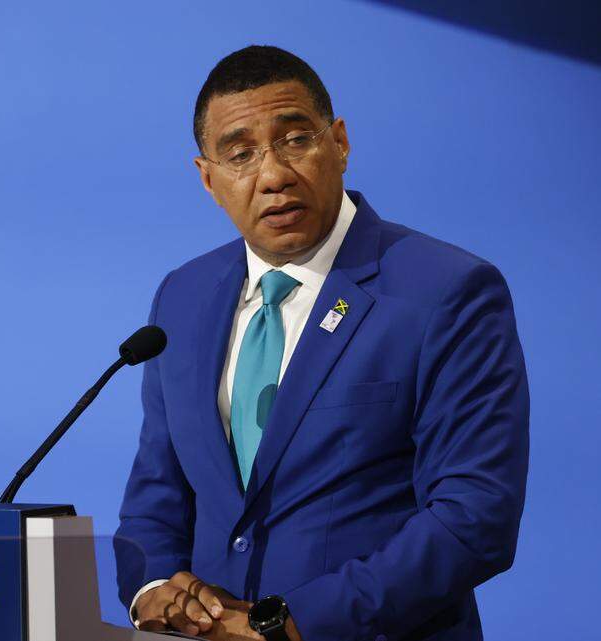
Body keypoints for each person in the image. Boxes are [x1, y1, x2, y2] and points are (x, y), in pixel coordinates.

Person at [113, 45, 528, 641]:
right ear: (208, 178)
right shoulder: (182, 297)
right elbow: (156, 495)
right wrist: (155, 592)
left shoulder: (445, 291)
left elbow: (474, 517)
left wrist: (288, 624)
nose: (274, 175)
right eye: (240, 154)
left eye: (296, 140)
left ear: (340, 142)